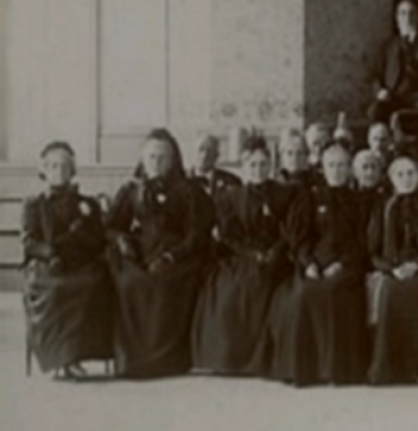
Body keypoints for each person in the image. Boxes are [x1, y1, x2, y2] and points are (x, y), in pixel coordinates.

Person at [106, 128, 213, 379]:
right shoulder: (131, 190)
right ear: (143, 159)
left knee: (165, 282)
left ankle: (167, 360)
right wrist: (122, 239)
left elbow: (197, 235)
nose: (156, 163)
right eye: (152, 157)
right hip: (141, 251)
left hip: (179, 254)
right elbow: (111, 225)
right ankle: (132, 360)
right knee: (130, 282)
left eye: (163, 157)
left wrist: (172, 256)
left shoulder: (189, 191)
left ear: (174, 159)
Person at [270, 141, 370, 386]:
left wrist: (342, 264)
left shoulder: (361, 201)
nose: (336, 170)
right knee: (304, 293)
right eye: (331, 165)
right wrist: (309, 263)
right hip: (315, 262)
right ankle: (307, 370)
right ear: (323, 168)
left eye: (342, 165)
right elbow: (301, 238)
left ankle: (336, 370)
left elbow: (364, 241)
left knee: (335, 292)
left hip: (349, 264)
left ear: (349, 169)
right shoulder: (310, 198)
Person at [191, 135, 290, 376]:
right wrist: (251, 253)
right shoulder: (231, 196)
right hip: (240, 255)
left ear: (271, 166)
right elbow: (229, 236)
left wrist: (272, 252)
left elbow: (288, 232)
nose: (258, 170)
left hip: (275, 255)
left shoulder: (283, 195)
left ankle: (259, 359)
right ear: (244, 169)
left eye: (263, 164)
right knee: (229, 289)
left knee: (264, 285)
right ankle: (230, 358)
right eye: (252, 165)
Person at [22, 141, 115, 378]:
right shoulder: (33, 205)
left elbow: (98, 242)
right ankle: (56, 359)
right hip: (46, 265)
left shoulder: (88, 204)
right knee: (56, 291)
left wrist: (81, 230)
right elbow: (29, 242)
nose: (59, 170)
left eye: (65, 165)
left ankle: (74, 357)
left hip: (80, 263)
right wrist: (51, 254)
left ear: (73, 169)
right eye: (53, 165)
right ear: (43, 170)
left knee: (91, 286)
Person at [366, 155, 418, 385]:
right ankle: (392, 369)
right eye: (400, 174)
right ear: (391, 179)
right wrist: (392, 269)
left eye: (411, 173)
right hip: (393, 270)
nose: (406, 179)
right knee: (390, 293)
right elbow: (373, 252)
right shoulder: (383, 209)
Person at [367, 0, 418, 157]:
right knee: (374, 111)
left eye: (411, 14)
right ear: (397, 18)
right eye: (403, 13)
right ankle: (381, 150)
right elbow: (374, 75)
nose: (407, 18)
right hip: (393, 96)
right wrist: (379, 91)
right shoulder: (388, 46)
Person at [190, 134, 241, 199]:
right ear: (193, 152)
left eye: (209, 151)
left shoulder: (231, 181)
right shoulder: (181, 180)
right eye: (201, 149)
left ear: (217, 155)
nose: (204, 155)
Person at [276, 128, 312, 193]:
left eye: (299, 153)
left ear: (306, 155)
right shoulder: (275, 185)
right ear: (282, 156)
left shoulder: (313, 184)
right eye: (289, 153)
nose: (295, 158)